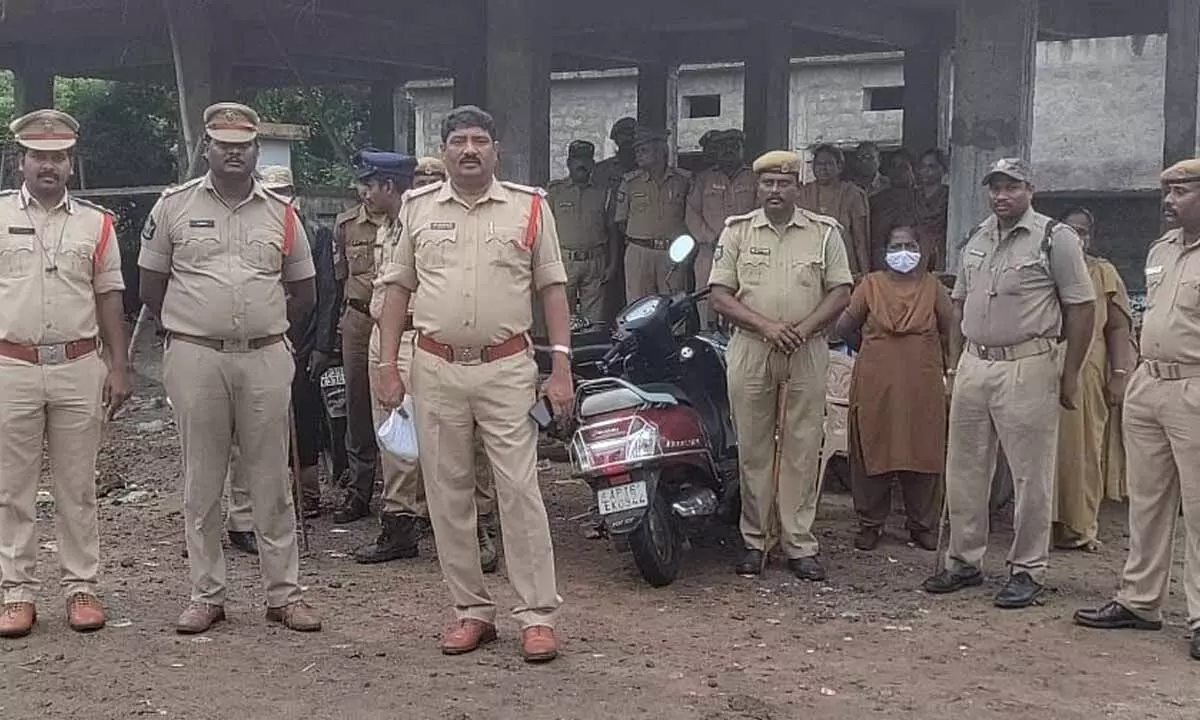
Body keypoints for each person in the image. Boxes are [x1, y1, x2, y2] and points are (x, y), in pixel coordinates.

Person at [374, 105, 571, 662]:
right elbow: (397, 291)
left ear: (496, 149)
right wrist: (388, 366)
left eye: (479, 140)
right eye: (458, 140)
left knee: (520, 490)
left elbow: (552, 289)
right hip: (435, 367)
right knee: (448, 492)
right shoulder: (417, 208)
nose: (468, 150)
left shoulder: (529, 208)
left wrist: (562, 368)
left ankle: (537, 616)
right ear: (443, 150)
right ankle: (471, 611)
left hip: (508, 367)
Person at [138, 102, 322, 634]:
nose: (234, 151)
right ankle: (206, 594)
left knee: (272, 480)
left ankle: (284, 595)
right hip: (196, 354)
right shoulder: (173, 206)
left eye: (243, 144)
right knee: (203, 478)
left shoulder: (282, 213)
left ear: (256, 149)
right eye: (224, 143)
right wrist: (201, 321)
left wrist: (261, 325)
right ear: (207, 147)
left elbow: (304, 291)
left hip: (265, 354)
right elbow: (150, 286)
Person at [922, 158, 1095, 609]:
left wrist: (1070, 372)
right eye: (995, 187)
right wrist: (955, 361)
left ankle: (1027, 568)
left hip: (1028, 363)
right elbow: (958, 302)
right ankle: (964, 560)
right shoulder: (978, 236)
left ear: (1030, 189)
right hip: (975, 362)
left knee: (1030, 473)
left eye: (1012, 187)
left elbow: (1081, 309)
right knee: (964, 468)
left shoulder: (1056, 238)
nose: (1002, 195)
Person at [0, 109, 132, 638]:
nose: (48, 165)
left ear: (71, 164)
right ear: (21, 162)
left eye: (58, 157)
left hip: (79, 363)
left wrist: (119, 365)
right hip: (13, 365)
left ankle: (82, 586)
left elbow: (110, 297)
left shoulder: (96, 224)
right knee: (13, 485)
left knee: (78, 485)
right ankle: (16, 591)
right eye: (38, 156)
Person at [1073, 158, 1200, 660]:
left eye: (1183, 191)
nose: (1169, 201)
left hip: (1195, 385)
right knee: (1146, 502)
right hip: (1152, 381)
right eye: (1166, 191)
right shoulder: (1162, 249)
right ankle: (1141, 600)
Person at [709, 150, 853, 581]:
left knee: (802, 448)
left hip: (806, 350)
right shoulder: (736, 232)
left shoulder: (824, 233)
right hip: (753, 348)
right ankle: (756, 540)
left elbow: (841, 291)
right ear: (759, 187)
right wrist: (768, 327)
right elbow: (719, 295)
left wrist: (804, 329)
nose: (776, 191)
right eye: (769, 183)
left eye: (784, 183)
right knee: (752, 448)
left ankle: (798, 543)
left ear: (798, 187)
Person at [354, 151, 500, 570]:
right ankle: (400, 525)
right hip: (388, 336)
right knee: (394, 432)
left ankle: (478, 527)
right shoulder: (388, 225)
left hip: (427, 336)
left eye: (370, 184)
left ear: (388, 186)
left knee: (459, 434)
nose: (363, 193)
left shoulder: (436, 224)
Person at [833, 223, 957, 552]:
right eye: (895, 245)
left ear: (921, 250)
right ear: (885, 252)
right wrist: (874, 350)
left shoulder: (933, 287)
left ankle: (922, 526)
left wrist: (950, 369)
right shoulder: (870, 285)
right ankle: (870, 524)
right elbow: (845, 326)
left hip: (922, 383)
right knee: (873, 447)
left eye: (909, 245)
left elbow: (952, 329)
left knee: (924, 450)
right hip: (876, 383)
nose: (903, 252)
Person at [1052, 207, 1134, 552]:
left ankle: (1079, 526)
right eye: (1070, 230)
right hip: (1042, 361)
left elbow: (1117, 326)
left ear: (1091, 236)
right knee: (1046, 450)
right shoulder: (1046, 269)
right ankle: (1043, 523)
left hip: (1089, 364)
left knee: (1082, 447)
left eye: (1082, 231)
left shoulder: (1103, 273)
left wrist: (1119, 375)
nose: (1077, 237)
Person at [331, 149, 388, 524]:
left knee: (402, 407)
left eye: (370, 184)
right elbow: (337, 280)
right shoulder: (346, 225)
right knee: (357, 406)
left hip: (398, 324)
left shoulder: (408, 221)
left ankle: (407, 499)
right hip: (358, 319)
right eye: (361, 184)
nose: (364, 192)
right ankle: (360, 490)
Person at [686, 129, 756, 327]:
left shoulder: (754, 178)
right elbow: (692, 213)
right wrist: (708, 236)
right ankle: (706, 335)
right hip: (709, 250)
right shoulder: (703, 179)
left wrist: (743, 237)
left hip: (745, 249)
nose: (729, 151)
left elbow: (762, 210)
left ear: (743, 149)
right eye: (724, 147)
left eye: (734, 147)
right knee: (705, 296)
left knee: (743, 296)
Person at [614, 126, 692, 300]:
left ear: (660, 152)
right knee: (637, 307)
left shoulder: (683, 180)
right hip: (639, 250)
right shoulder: (630, 182)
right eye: (637, 151)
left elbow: (691, 216)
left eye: (644, 150)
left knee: (673, 306)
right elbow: (621, 221)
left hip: (673, 251)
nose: (638, 155)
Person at [547, 140, 609, 325]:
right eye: (577, 160)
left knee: (594, 319)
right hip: (565, 260)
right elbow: (545, 228)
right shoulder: (555, 191)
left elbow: (611, 229)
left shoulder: (603, 192)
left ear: (592, 164)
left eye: (586, 160)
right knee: (562, 315)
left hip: (595, 261)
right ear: (569, 163)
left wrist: (612, 264)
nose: (581, 165)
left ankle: (589, 352)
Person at [796, 144, 871, 277]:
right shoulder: (802, 193)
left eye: (829, 164)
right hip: (809, 266)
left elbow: (860, 240)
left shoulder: (852, 194)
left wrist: (866, 277)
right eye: (819, 164)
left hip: (844, 265)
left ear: (839, 167)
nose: (823, 168)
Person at [593, 117, 638, 324]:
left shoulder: (645, 165)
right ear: (615, 140)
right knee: (608, 288)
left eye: (631, 135)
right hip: (608, 234)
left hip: (637, 233)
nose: (627, 140)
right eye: (623, 136)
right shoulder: (602, 170)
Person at [914, 149, 950, 272]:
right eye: (923, 166)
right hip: (917, 248)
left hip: (940, 249)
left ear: (943, 169)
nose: (926, 171)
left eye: (932, 166)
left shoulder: (948, 195)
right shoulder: (914, 195)